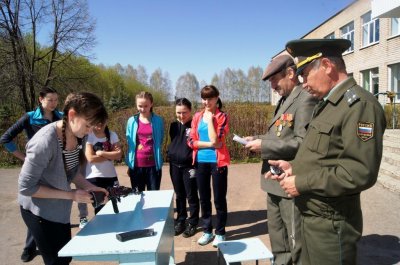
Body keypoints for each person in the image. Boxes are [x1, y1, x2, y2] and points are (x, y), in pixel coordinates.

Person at [266, 39, 386, 265]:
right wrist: (293, 167)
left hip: (331, 225)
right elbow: (323, 155)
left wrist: (301, 182)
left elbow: (359, 171)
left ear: (327, 66)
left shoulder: (360, 106)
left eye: (305, 75)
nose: (303, 83)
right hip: (312, 217)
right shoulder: (327, 104)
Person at [18, 92, 109, 265]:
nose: (90, 131)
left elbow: (72, 172)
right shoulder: (44, 142)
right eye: (88, 125)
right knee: (55, 261)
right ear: (72, 115)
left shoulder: (78, 135)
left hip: (59, 210)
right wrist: (72, 195)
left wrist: (90, 187)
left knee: (65, 257)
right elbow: (26, 188)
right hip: (38, 212)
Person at [244, 54, 317, 265]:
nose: (273, 86)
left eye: (275, 79)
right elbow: (279, 134)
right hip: (273, 182)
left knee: (295, 239)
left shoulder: (305, 99)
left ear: (291, 73)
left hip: (288, 181)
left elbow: (302, 142)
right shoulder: (286, 99)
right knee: (278, 237)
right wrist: (256, 139)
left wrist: (264, 146)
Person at [0, 86, 62, 262]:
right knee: (35, 210)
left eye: (56, 100)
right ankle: (29, 247)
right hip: (36, 170)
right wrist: (25, 158)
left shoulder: (60, 117)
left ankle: (54, 243)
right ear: (40, 100)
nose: (54, 103)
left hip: (55, 171)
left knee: (54, 207)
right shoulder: (29, 117)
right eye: (50, 100)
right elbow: (5, 139)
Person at [188, 85, 230, 247]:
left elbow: (217, 141)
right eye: (204, 98)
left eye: (210, 98)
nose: (207, 101)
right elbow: (191, 142)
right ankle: (207, 231)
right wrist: (207, 144)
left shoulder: (222, 116)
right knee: (204, 198)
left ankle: (220, 232)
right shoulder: (197, 117)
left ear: (217, 97)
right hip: (200, 162)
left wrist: (210, 120)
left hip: (217, 162)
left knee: (219, 199)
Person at [77, 121, 122, 222]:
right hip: (95, 177)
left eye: (101, 121)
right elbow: (90, 158)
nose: (99, 124)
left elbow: (119, 155)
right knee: (100, 210)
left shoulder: (112, 135)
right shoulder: (89, 135)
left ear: (106, 119)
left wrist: (101, 153)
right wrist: (110, 155)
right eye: (97, 121)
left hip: (111, 176)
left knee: (115, 205)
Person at [167, 98, 200, 237]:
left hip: (189, 167)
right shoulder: (173, 126)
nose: (181, 115)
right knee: (179, 195)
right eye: (178, 113)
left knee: (191, 195)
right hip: (174, 166)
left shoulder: (194, 125)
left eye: (184, 112)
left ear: (190, 111)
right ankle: (180, 220)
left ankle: (192, 222)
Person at [126, 91, 164, 192]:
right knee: (138, 199)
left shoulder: (158, 121)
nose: (143, 109)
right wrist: (130, 164)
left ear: (151, 104)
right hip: (136, 166)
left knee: (154, 198)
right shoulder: (131, 121)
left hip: (154, 166)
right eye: (140, 106)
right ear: (136, 105)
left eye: (146, 106)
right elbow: (129, 142)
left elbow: (160, 139)